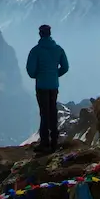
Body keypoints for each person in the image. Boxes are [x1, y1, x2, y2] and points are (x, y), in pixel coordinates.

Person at [26, 24, 69, 153]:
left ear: (40, 34)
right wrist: (55, 74)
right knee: (53, 111)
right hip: (54, 85)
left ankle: (44, 143)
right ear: (50, 34)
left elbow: (31, 71)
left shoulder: (35, 51)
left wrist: (38, 75)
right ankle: (54, 141)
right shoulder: (58, 49)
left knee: (44, 113)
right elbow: (65, 67)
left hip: (41, 86)